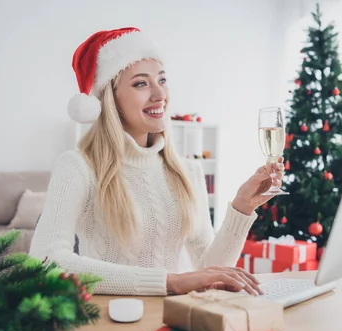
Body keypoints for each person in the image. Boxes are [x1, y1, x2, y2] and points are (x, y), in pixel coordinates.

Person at [29, 27, 284, 296]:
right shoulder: (78, 166)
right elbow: (46, 260)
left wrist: (241, 208)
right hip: (112, 321)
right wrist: (167, 282)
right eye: (141, 83)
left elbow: (209, 274)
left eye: (162, 80)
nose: (159, 94)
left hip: (175, 319)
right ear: (109, 98)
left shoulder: (188, 172)